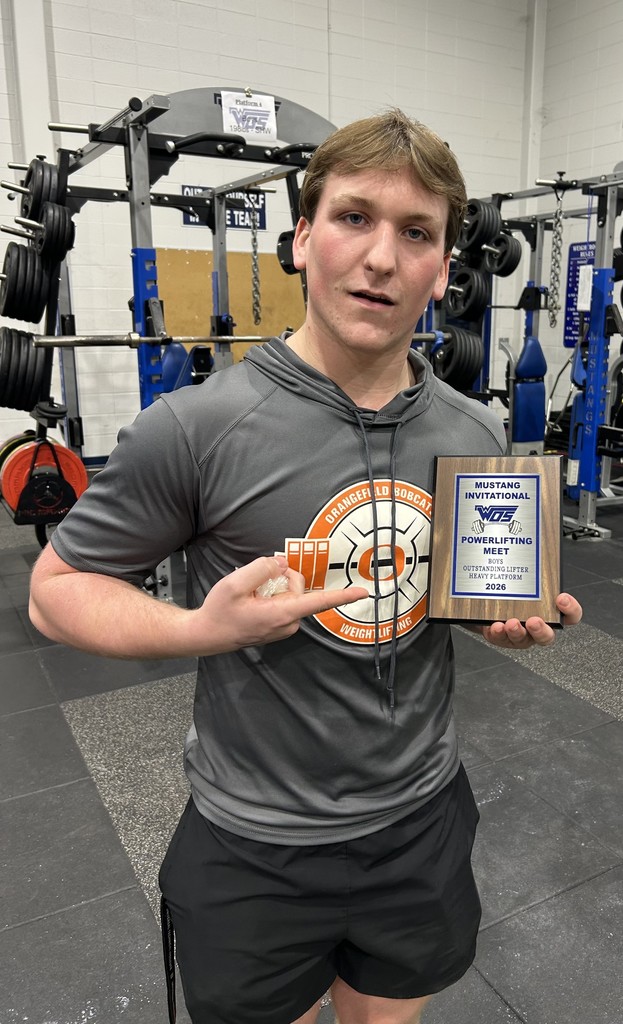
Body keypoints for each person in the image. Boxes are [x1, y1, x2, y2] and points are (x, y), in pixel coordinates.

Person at [29, 109, 582, 1024]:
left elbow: (446, 597)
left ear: (444, 267)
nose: (381, 258)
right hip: (255, 841)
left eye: (416, 234)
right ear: (301, 239)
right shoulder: (195, 428)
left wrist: (499, 620)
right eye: (353, 218)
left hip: (421, 818)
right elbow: (56, 595)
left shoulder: (475, 431)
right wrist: (199, 628)